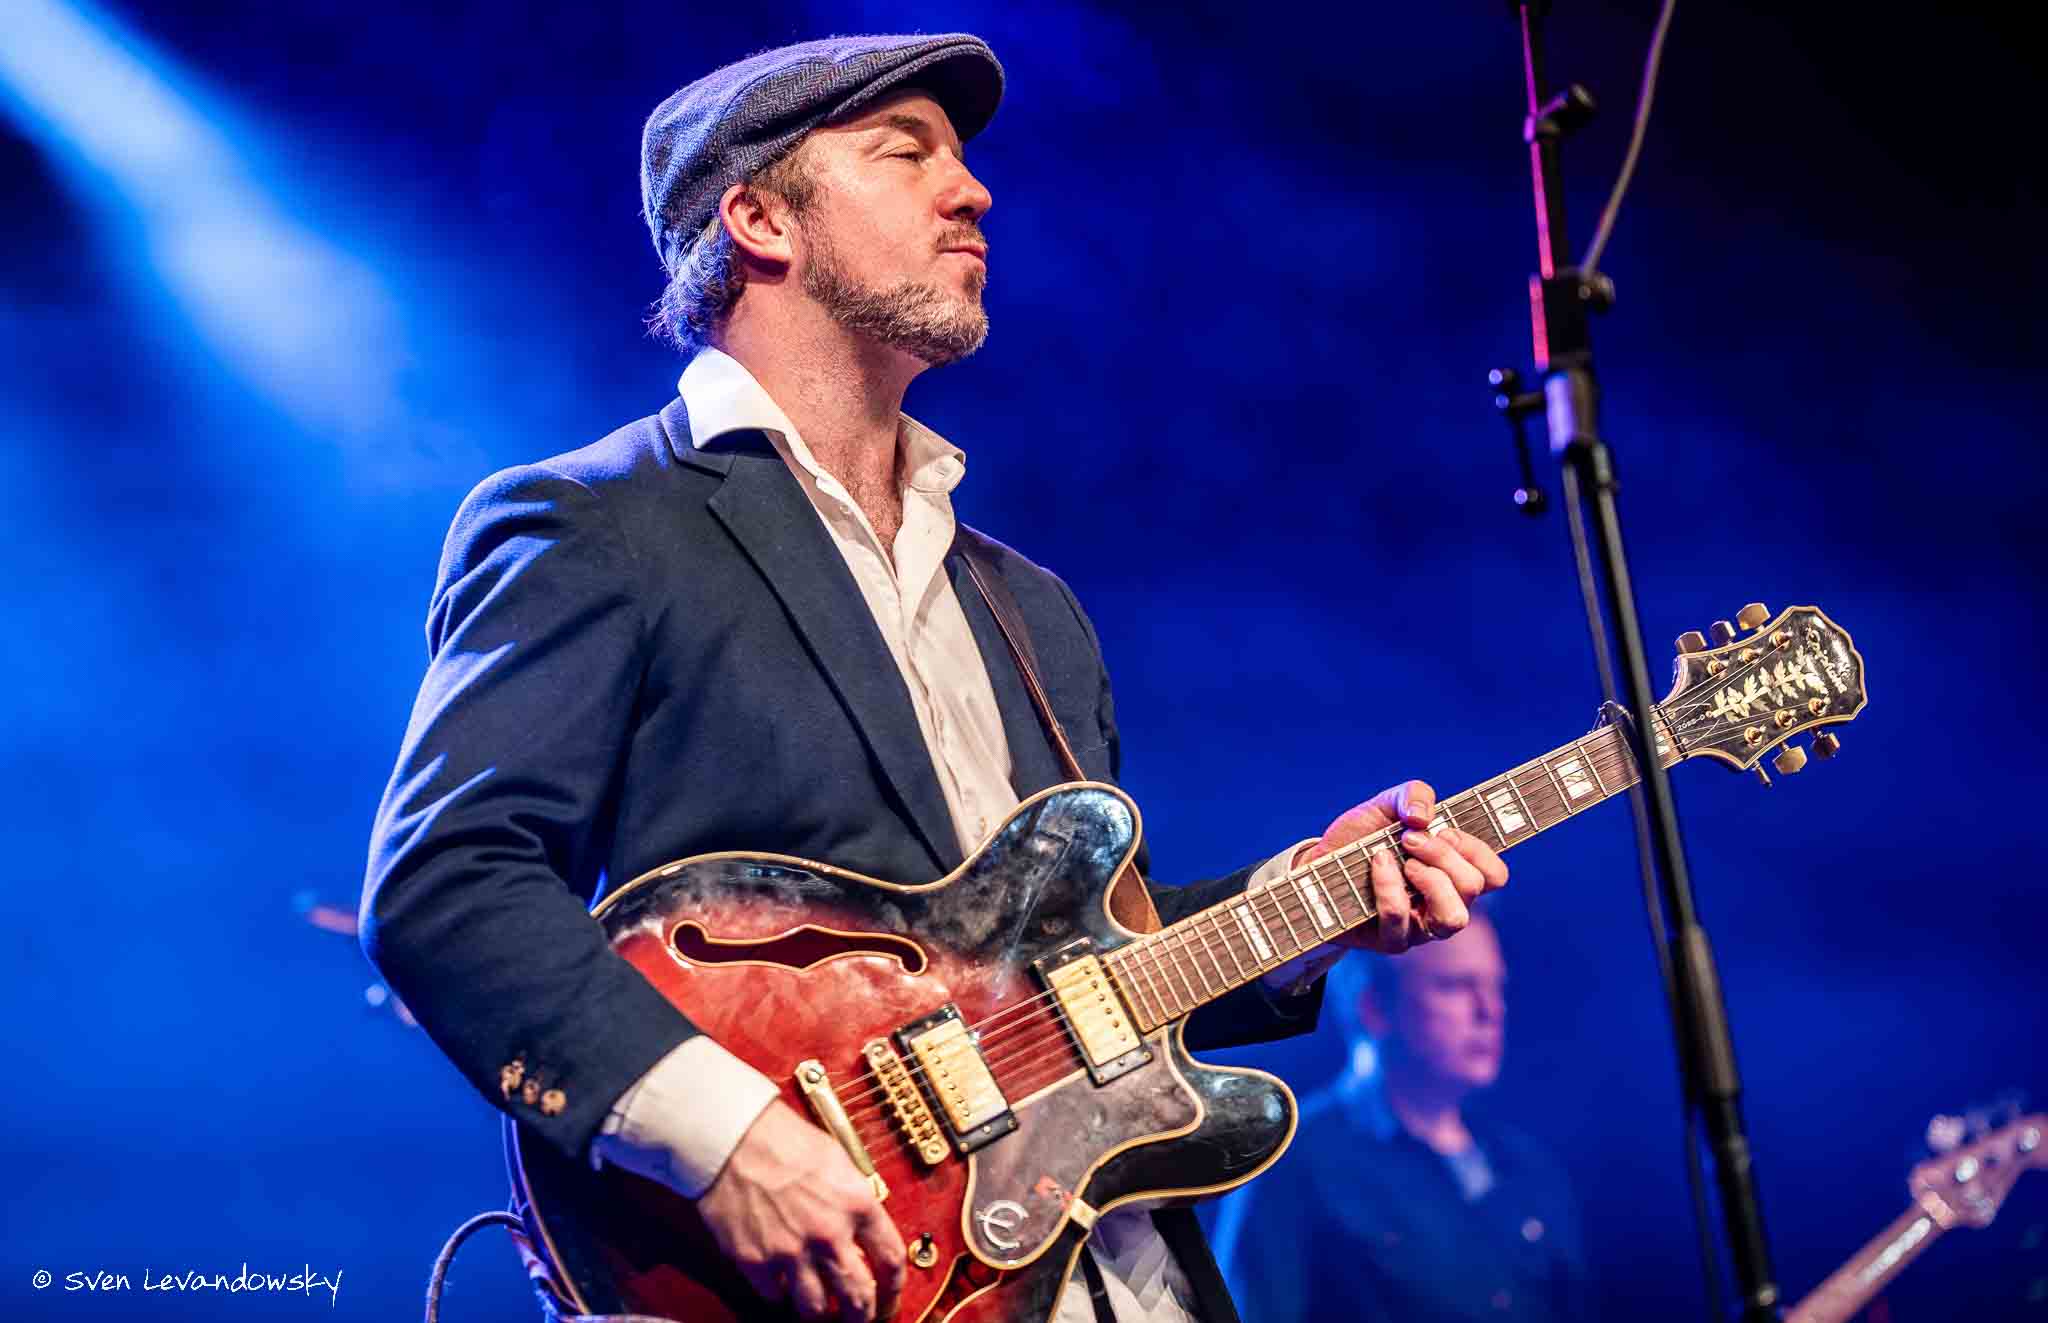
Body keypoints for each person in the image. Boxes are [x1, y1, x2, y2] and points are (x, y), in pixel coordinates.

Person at [360, 32, 1507, 1323]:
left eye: (959, 160)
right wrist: (729, 1138)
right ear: (758, 220)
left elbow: (1065, 975)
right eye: (904, 154)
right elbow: (447, 883)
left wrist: (1309, 908)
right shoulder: (599, 521)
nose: (973, 191)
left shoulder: (1031, 606)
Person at [1208, 912, 1585, 1322]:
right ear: (1373, 1007)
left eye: (1496, 987)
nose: (1489, 1010)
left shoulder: (1526, 1164)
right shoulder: (1295, 1161)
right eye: (1456, 986)